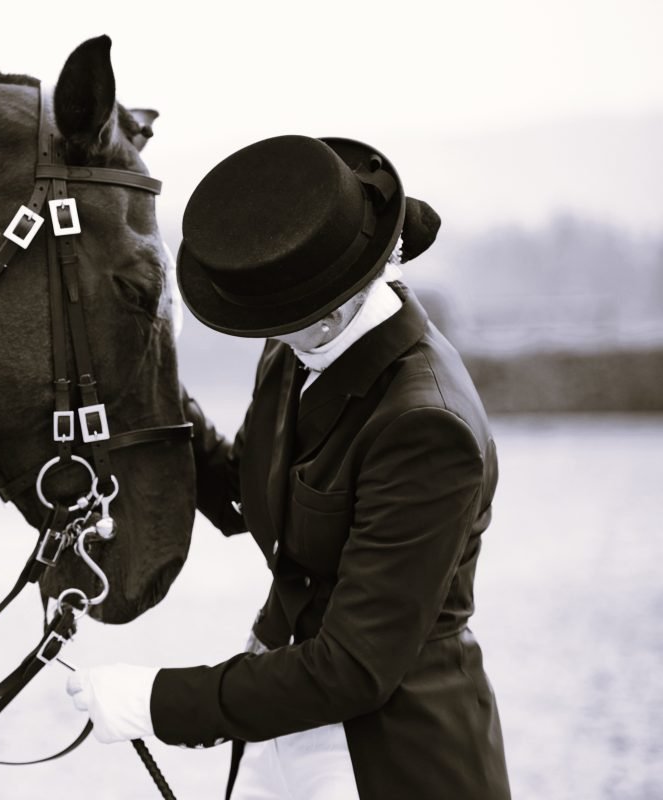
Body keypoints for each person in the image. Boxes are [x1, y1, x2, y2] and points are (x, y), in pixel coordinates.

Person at [65, 134, 511, 799]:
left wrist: (154, 699)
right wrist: (145, 373)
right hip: (280, 715)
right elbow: (244, 493)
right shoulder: (296, 352)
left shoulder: (425, 427)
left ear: (329, 312)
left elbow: (354, 667)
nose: (264, 333)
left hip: (386, 751)